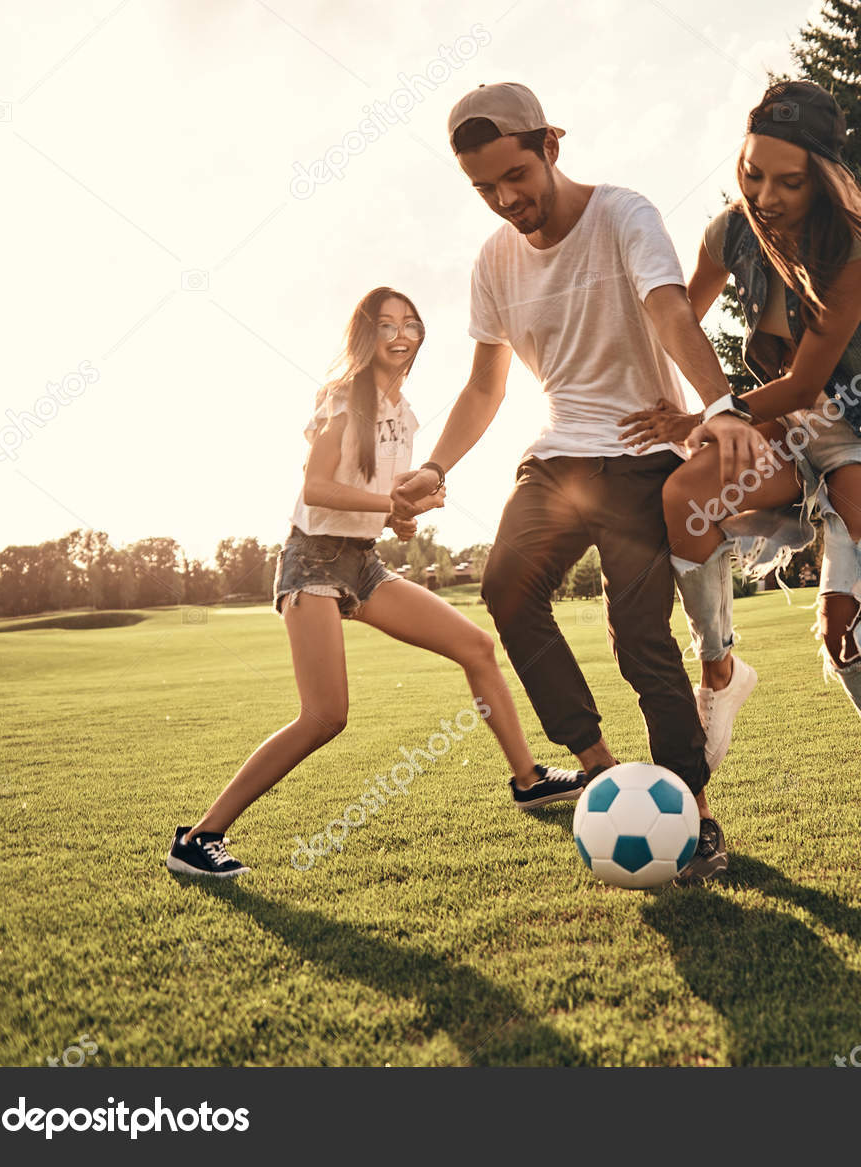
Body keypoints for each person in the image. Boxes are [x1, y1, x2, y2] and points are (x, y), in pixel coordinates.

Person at [392, 83, 772, 882]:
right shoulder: (494, 261)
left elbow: (671, 312)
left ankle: (694, 812)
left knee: (640, 640)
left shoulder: (624, 215)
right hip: (559, 454)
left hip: (641, 456)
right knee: (505, 586)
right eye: (484, 189)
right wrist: (434, 466)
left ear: (550, 146)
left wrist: (720, 406)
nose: (505, 200)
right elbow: (486, 387)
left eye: (514, 177)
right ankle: (598, 763)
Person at [619, 80, 861, 860]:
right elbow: (676, 319)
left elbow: (808, 384)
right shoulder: (731, 233)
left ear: (824, 178)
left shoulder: (858, 252)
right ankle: (720, 671)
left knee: (845, 630)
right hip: (775, 426)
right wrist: (680, 406)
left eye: (787, 180)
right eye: (751, 172)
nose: (764, 196)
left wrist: (713, 414)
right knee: (686, 496)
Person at [167, 286, 584, 879]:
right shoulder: (343, 399)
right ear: (367, 335)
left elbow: (378, 507)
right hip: (312, 561)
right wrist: (390, 507)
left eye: (410, 323)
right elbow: (316, 489)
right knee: (324, 717)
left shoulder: (405, 414)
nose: (400, 332)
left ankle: (528, 780)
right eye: (386, 323)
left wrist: (412, 504)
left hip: (362, 564)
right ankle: (199, 837)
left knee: (476, 646)